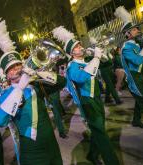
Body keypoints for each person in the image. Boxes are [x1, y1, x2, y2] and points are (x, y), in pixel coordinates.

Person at [0, 17, 65, 165]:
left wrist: (39, 74)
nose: (16, 69)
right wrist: (19, 89)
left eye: (18, 65)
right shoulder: (5, 95)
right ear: (7, 75)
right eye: (11, 68)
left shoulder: (35, 84)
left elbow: (62, 82)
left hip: (52, 144)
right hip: (31, 150)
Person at [53, 26, 119, 165]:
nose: (80, 47)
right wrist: (95, 57)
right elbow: (82, 77)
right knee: (101, 133)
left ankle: (92, 155)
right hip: (87, 102)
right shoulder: (72, 67)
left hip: (96, 98)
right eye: (77, 47)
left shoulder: (86, 60)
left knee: (98, 130)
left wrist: (101, 53)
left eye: (79, 45)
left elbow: (106, 63)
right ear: (72, 53)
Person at [115, 6, 143, 128]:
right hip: (134, 79)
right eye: (134, 29)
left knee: (140, 101)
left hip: (140, 76)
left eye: (136, 28)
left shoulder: (135, 44)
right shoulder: (126, 48)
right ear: (128, 33)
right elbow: (137, 61)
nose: (137, 29)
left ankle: (136, 120)